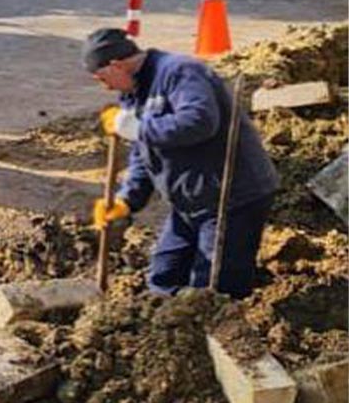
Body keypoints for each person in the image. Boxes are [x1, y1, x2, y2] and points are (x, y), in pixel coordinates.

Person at [86, 27, 280, 299]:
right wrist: (126, 201)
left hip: (232, 196)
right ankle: (158, 333)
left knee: (213, 288)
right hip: (190, 201)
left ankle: (219, 333)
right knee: (164, 275)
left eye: (102, 78)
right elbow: (144, 153)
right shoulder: (132, 93)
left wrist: (139, 128)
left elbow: (200, 122)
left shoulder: (181, 72)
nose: (104, 87)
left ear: (116, 65)